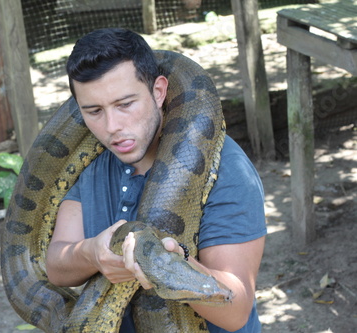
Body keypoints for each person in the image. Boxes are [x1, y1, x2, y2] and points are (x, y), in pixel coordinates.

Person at [45, 27, 266, 333]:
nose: (112, 127)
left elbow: (235, 309)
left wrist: (173, 265)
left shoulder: (226, 169)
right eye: (94, 111)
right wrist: (92, 253)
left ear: (159, 91)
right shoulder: (92, 165)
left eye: (125, 104)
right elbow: (56, 267)